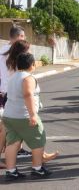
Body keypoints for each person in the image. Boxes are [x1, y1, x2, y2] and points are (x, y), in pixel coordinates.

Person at [3, 53, 52, 180]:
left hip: (9, 115)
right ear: (32, 65)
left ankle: (11, 171)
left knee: (12, 143)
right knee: (38, 140)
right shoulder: (28, 78)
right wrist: (33, 115)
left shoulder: (13, 76)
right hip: (24, 115)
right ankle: (37, 169)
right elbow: (28, 95)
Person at [0, 25, 29, 164]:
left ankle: (18, 149)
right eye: (23, 36)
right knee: (14, 123)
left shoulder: (2, 50)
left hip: (4, 91)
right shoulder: (16, 54)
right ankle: (14, 150)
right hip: (14, 92)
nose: (24, 39)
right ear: (17, 37)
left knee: (8, 123)